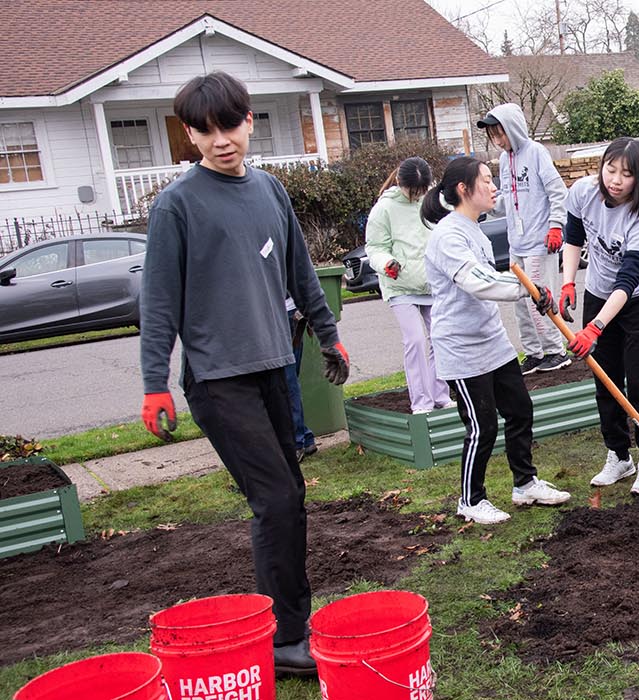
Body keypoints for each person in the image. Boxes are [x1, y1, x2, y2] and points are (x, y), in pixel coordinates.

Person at [139, 71, 351, 678]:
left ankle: (292, 625)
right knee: (276, 499)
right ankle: (284, 640)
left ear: (249, 121)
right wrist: (156, 381)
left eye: (229, 125)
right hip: (217, 380)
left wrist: (327, 331)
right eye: (204, 130)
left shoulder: (270, 192)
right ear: (189, 134)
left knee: (291, 498)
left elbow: (300, 271)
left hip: (273, 367)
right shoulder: (177, 206)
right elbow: (158, 304)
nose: (220, 140)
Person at [421, 157, 571, 525]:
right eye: (486, 181)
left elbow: (490, 281)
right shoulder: (448, 236)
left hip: (492, 342)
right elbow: (476, 282)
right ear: (463, 189)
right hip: (460, 348)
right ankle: (470, 500)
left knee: (520, 410)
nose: (493, 187)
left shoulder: (475, 229)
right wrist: (528, 289)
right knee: (482, 425)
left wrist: (526, 289)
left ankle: (525, 483)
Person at [559, 137, 639, 495]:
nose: (616, 180)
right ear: (601, 166)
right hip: (598, 291)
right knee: (605, 378)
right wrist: (568, 283)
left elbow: (628, 280)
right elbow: (573, 237)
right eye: (611, 169)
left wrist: (595, 327)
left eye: (626, 174)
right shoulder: (582, 192)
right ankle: (619, 456)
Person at [479, 103, 572, 375]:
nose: (498, 140)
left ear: (513, 129)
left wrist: (556, 226)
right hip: (516, 243)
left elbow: (557, 191)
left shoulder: (536, 153)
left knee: (539, 300)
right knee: (520, 302)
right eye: (493, 136)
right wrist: (488, 205)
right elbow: (508, 198)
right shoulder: (505, 160)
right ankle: (533, 352)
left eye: (500, 134)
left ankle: (555, 350)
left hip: (539, 241)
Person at [365, 157, 453, 414]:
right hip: (400, 286)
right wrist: (387, 263)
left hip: (431, 284)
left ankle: (440, 394)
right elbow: (375, 247)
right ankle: (421, 402)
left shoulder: (435, 201)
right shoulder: (384, 209)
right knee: (415, 340)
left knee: (441, 337)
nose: (417, 196)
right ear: (400, 182)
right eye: (412, 191)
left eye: (421, 191)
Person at [283, 297, 318, 461]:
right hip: (291, 312)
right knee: (289, 380)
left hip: (282, 313)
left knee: (286, 382)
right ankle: (304, 437)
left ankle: (297, 443)